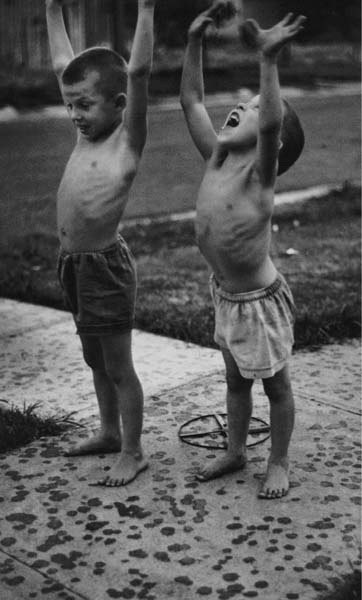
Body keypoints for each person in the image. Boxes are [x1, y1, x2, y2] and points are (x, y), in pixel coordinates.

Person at [180, 0, 306, 499]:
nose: (243, 105)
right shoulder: (216, 157)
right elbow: (191, 101)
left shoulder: (259, 177)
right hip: (227, 296)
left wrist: (268, 63)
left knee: (275, 387)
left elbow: (272, 124)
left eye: (253, 106)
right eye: (244, 101)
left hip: (259, 304)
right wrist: (194, 42)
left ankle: (278, 462)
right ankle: (235, 450)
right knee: (235, 382)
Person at [45, 0, 157, 486]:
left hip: (105, 268)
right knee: (94, 357)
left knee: (118, 364)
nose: (74, 115)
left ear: (119, 103)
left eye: (84, 105)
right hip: (73, 264)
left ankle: (132, 450)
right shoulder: (84, 137)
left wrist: (147, 9)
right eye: (69, 105)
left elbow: (139, 72)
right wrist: (52, 9)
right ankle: (109, 432)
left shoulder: (125, 143)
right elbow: (60, 65)